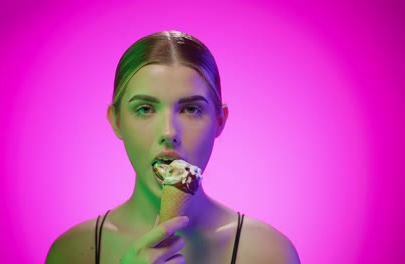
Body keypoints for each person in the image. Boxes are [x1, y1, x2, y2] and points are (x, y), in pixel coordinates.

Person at [46, 30, 300, 264]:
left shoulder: (269, 252)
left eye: (191, 109)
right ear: (117, 121)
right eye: (145, 109)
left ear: (219, 121)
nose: (169, 132)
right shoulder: (72, 251)